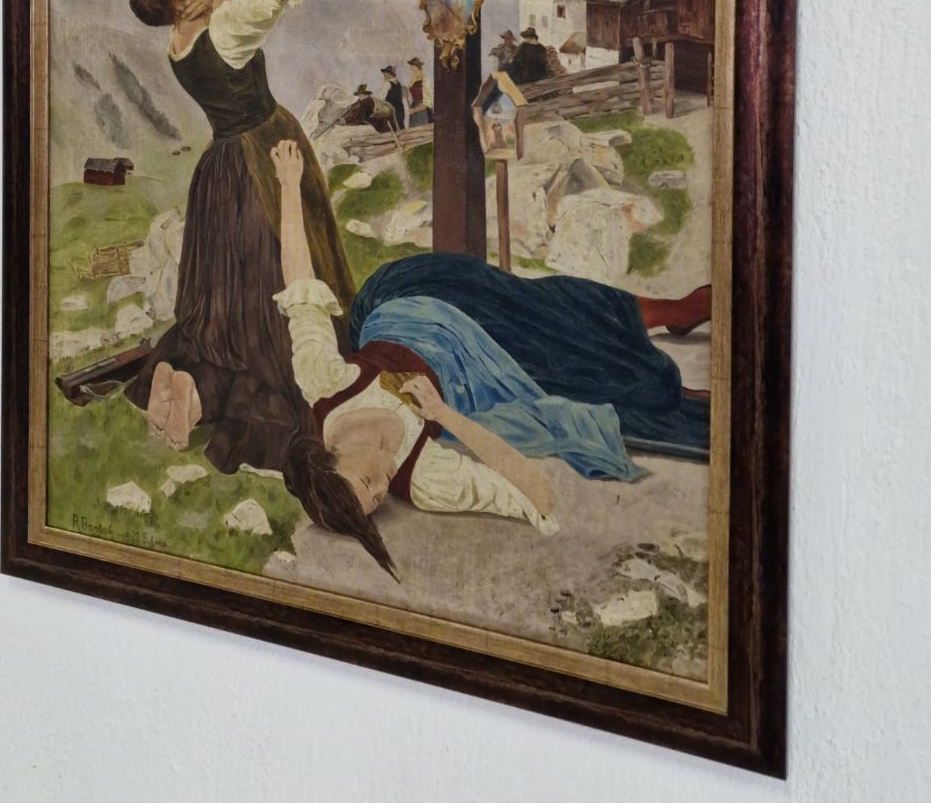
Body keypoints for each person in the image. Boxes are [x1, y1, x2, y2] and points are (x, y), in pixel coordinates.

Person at [269, 140, 709, 573]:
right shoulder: (422, 478)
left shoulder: (323, 381)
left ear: (331, 453)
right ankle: (671, 383)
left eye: (367, 481)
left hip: (412, 302)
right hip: (479, 373)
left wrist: (288, 184)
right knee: (574, 375)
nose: (382, 486)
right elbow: (538, 497)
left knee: (543, 309)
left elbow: (300, 285)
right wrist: (445, 414)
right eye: (378, 500)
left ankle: (673, 311)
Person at [119, 0, 355, 473]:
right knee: (275, 301)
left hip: (220, 173)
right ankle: (220, 394)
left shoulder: (181, 40)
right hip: (264, 159)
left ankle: (192, 388)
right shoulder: (225, 31)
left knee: (231, 311)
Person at [405, 56, 430, 127]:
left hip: (422, 110)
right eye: (410, 68)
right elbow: (410, 94)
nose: (410, 70)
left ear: (418, 67)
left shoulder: (425, 80)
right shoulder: (413, 79)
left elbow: (427, 102)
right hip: (413, 107)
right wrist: (405, 92)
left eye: (412, 67)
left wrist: (414, 110)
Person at [380, 64, 406, 130]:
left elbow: (381, 97)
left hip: (391, 110)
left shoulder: (387, 84)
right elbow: (401, 97)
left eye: (385, 75)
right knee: (401, 126)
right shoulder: (398, 84)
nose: (384, 77)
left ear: (389, 75)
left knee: (392, 128)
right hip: (400, 109)